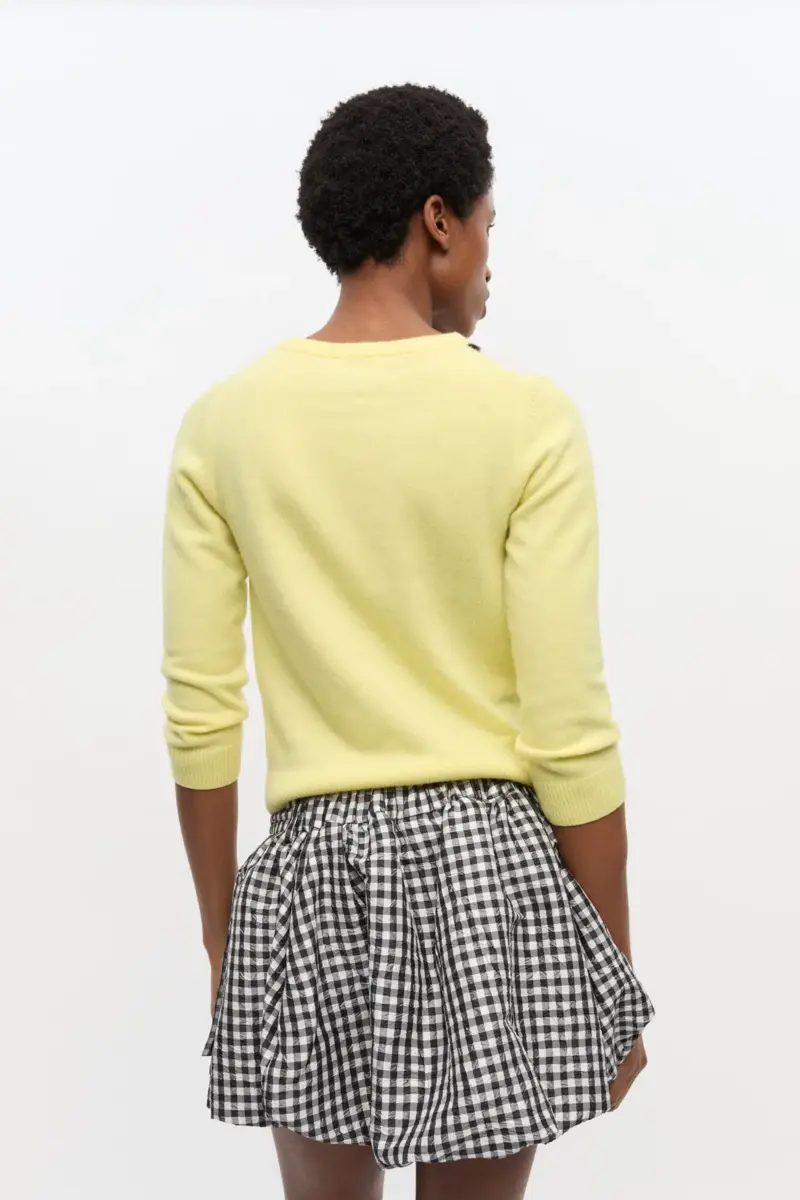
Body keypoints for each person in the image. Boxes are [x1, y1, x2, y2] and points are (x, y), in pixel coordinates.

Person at [161, 83, 654, 1200]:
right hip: (489, 874)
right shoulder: (525, 418)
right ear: (437, 221)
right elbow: (569, 726)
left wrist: (224, 942)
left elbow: (200, 715)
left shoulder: (222, 425)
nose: (488, 261)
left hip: (312, 876)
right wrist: (610, 964)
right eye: (486, 226)